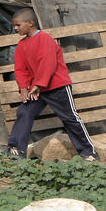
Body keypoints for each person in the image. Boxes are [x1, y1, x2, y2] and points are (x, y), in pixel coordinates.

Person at [6, 8, 97, 161]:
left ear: (30, 23)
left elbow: (48, 63)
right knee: (24, 112)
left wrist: (38, 85)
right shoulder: (22, 45)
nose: (15, 28)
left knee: (69, 118)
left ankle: (88, 153)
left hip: (57, 87)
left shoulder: (45, 38)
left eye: (18, 25)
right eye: (14, 26)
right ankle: (16, 150)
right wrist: (23, 87)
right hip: (38, 89)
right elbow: (20, 68)